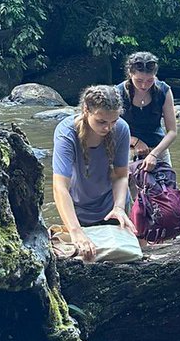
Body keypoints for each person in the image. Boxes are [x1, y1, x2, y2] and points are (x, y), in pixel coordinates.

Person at [52, 84, 136, 260]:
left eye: (113, 121)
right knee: (84, 257)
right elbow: (60, 187)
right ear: (86, 110)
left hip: (112, 207)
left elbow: (121, 175)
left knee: (124, 257)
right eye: (101, 121)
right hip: (78, 209)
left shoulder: (121, 129)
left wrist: (119, 208)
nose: (108, 128)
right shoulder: (66, 133)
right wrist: (75, 231)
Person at [115, 51, 177, 169]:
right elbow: (111, 129)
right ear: (130, 74)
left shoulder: (163, 91)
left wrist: (154, 154)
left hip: (158, 148)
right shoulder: (118, 93)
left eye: (150, 80)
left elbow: (172, 132)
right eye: (139, 81)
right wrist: (135, 141)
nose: (144, 85)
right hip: (126, 149)